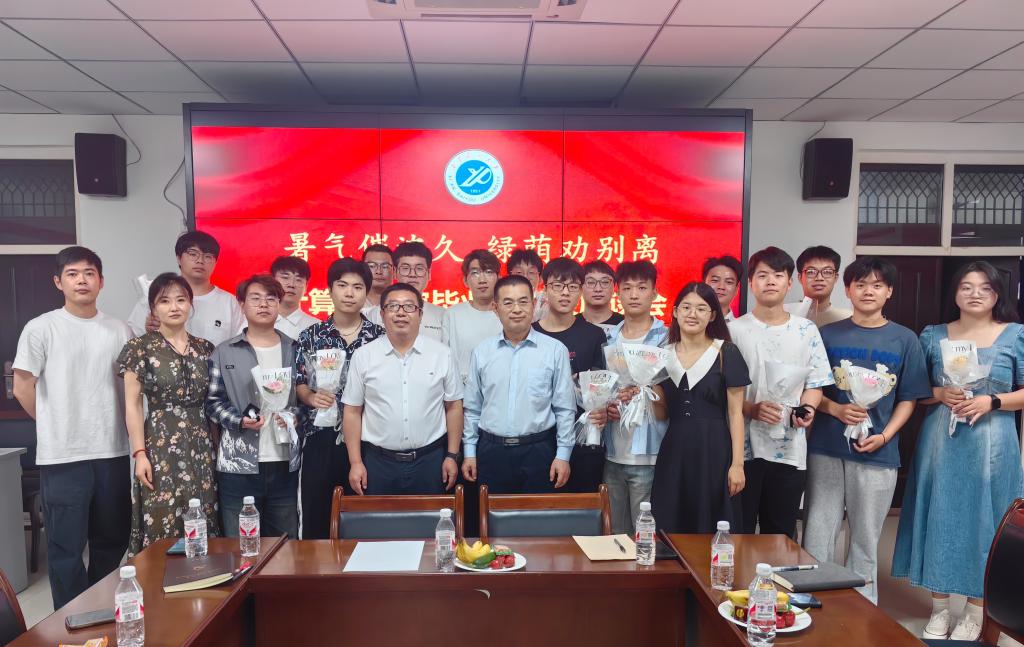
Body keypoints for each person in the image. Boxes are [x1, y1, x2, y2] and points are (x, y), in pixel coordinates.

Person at [892, 261, 1024, 641]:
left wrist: (992, 401)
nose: (975, 293)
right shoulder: (933, 335)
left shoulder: (1015, 335)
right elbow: (914, 390)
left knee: (986, 522)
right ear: (955, 293)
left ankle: (975, 611)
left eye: (985, 287)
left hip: (992, 444)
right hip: (942, 443)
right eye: (967, 286)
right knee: (940, 516)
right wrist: (938, 392)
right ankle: (939, 608)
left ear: (997, 294)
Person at [803, 257, 931, 605]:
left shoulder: (905, 339)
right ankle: (813, 601)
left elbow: (908, 398)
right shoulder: (827, 335)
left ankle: (862, 608)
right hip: (826, 448)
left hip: (878, 452)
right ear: (848, 290)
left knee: (865, 538)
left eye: (877, 285)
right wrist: (836, 409)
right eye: (860, 284)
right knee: (818, 532)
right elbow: (812, 389)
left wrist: (886, 436)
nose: (868, 291)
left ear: (889, 291)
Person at [12, 246, 132, 609]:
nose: (82, 280)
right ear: (58, 282)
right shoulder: (41, 328)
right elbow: (23, 387)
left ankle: (102, 611)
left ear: (101, 281)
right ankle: (70, 620)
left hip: (112, 451)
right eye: (73, 274)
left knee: (111, 540)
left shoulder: (120, 329)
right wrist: (55, 422)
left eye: (89, 273)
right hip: (63, 457)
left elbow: (130, 389)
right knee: (65, 548)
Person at [728, 246, 833, 538]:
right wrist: (751, 409)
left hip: (790, 449)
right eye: (762, 275)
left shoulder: (806, 330)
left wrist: (807, 409)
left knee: (781, 534)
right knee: (740, 531)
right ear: (751, 283)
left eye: (778, 275)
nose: (770, 281)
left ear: (789, 283)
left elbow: (815, 383)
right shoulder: (734, 331)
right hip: (743, 450)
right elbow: (724, 391)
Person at [118, 273, 220, 555]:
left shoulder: (205, 348)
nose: (174, 307)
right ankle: (157, 579)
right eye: (164, 301)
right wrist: (140, 454)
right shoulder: (139, 348)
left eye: (181, 300)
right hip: (159, 445)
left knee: (203, 517)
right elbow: (133, 405)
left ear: (190, 304)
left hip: (201, 445)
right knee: (161, 517)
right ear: (153, 308)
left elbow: (213, 402)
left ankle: (203, 579)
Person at [342, 283, 464, 495]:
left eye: (409, 306)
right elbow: (352, 411)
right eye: (392, 306)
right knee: (379, 516)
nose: (400, 313)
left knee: (432, 516)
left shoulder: (442, 354)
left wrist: (452, 455)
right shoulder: (363, 356)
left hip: (430, 461)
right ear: (382, 314)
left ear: (420, 314)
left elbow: (453, 407)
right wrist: (355, 462)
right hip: (377, 463)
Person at [294, 259, 385, 539]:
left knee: (364, 518)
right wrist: (310, 397)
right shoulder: (311, 336)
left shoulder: (379, 337)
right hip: (321, 437)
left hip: (368, 438)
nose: (349, 293)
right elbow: (298, 381)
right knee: (317, 517)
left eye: (358, 287)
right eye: (342, 285)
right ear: (330, 290)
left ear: (366, 293)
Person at [462, 275, 576, 494]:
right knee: (490, 514)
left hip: (539, 451)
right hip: (491, 452)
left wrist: (563, 455)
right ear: (495, 308)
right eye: (508, 303)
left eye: (523, 302)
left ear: (533, 305)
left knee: (538, 514)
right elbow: (473, 408)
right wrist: (469, 452)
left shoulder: (555, 350)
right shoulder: (482, 352)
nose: (516, 309)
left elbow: (564, 408)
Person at [650, 282, 749, 533]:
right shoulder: (662, 355)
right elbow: (662, 414)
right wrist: (644, 393)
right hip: (674, 450)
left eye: (701, 308)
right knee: (670, 522)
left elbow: (735, 414)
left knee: (712, 524)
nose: (692, 314)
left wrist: (737, 465)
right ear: (675, 312)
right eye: (686, 307)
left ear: (712, 315)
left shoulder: (726, 352)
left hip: (715, 450)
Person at [206, 275, 300, 538]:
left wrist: (294, 416)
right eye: (255, 298)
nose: (264, 304)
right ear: (242, 304)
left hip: (284, 463)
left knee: (285, 545)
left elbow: (304, 399)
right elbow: (213, 402)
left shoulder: (293, 349)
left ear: (279, 304)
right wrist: (238, 421)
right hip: (238, 464)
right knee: (240, 546)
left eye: (271, 298)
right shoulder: (225, 351)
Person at [604, 260, 669, 535]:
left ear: (654, 293)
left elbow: (672, 399)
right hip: (612, 452)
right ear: (618, 292)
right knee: (616, 537)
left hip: (649, 454)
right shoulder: (609, 337)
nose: (633, 294)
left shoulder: (666, 337)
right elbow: (603, 387)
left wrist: (645, 391)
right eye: (627, 288)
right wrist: (605, 403)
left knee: (645, 538)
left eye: (641, 288)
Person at [533, 257, 608, 493]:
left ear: (581, 290)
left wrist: (603, 408)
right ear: (545, 288)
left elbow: (601, 387)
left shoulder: (594, 335)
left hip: (583, 438)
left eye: (573, 286)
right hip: (539, 439)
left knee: (583, 506)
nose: (565, 293)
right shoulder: (531, 334)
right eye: (558, 285)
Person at [128, 231, 245, 345]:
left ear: (216, 262)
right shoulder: (156, 297)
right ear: (179, 258)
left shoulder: (230, 303)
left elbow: (239, 346)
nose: (200, 260)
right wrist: (150, 332)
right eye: (193, 254)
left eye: (208, 256)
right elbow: (133, 340)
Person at [442, 249, 502, 384]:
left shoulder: (508, 314)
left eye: (488, 272)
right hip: (462, 391)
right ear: (465, 280)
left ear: (499, 278)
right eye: (475, 273)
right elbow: (444, 360)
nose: (482, 280)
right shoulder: (452, 314)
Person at [368, 241, 443, 340]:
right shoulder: (375, 314)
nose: (412, 274)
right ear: (395, 272)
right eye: (405, 268)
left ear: (429, 274)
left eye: (419, 268)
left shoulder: (443, 316)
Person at [797, 245, 852, 327]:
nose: (819, 278)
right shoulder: (785, 316)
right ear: (800, 277)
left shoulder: (849, 318)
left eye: (827, 272)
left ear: (836, 278)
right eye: (811, 272)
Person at [271, 255, 320, 339]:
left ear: (306, 287)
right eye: (285, 278)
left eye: (298, 280)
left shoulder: (317, 328)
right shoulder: (253, 324)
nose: (291, 284)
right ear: (272, 281)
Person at [580, 260, 623, 328]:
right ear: (580, 287)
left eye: (605, 282)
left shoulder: (625, 324)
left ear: (614, 287)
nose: (598, 289)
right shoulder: (569, 325)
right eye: (591, 282)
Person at [507, 248, 547, 322]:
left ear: (540, 278)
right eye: (519, 272)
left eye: (531, 272)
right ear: (509, 277)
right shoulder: (502, 302)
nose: (525, 277)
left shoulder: (546, 302)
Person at [703, 255, 743, 323]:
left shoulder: (741, 327)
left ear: (736, 289)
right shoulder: (688, 323)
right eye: (715, 280)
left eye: (729, 282)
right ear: (703, 284)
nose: (721, 287)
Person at [361, 244, 393, 317]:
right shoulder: (352, 303)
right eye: (372, 266)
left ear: (394, 271)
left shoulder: (402, 304)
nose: (378, 271)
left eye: (385, 266)